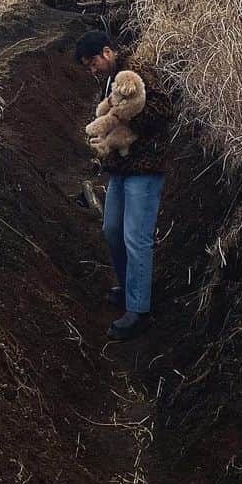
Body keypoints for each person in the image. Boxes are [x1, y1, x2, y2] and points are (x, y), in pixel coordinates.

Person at [75, 30, 174, 341]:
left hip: (144, 166)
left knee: (136, 236)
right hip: (120, 167)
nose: (92, 70)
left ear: (107, 52)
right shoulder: (110, 78)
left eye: (93, 63)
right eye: (88, 67)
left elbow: (163, 109)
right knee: (112, 229)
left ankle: (138, 309)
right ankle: (129, 286)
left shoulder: (137, 70)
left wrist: (124, 118)